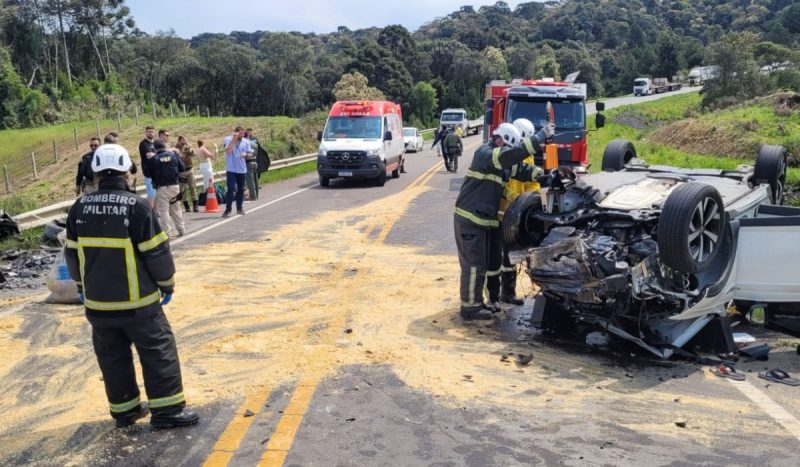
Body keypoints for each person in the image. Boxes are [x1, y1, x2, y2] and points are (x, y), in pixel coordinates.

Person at [64, 143, 199, 429]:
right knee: (157, 351)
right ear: (128, 172)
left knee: (113, 358)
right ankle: (168, 412)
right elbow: (157, 253)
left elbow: (72, 255)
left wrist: (81, 287)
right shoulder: (136, 207)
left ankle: (125, 412)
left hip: (98, 306)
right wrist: (167, 285)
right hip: (138, 304)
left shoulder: (78, 209)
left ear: (96, 174)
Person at [453, 121, 553, 320]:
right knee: (474, 265)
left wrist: (544, 175)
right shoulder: (485, 154)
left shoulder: (501, 164)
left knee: (484, 263)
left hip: (483, 221)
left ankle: (480, 302)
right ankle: (470, 307)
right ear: (499, 139)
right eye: (506, 146)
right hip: (470, 220)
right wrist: (538, 138)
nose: (507, 150)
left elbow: (522, 169)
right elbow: (509, 156)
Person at [493, 118, 541, 306]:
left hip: (515, 215)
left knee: (511, 257)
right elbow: (501, 184)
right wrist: (515, 198)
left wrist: (533, 201)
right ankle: (494, 295)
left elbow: (531, 183)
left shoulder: (527, 157)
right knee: (496, 257)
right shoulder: (504, 156)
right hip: (500, 212)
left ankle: (508, 292)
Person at [144, 139, 186, 237]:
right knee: (176, 208)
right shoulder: (173, 155)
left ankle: (167, 232)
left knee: (164, 210)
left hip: (162, 187)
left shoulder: (154, 158)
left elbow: (147, 173)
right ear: (164, 146)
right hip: (174, 186)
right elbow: (182, 168)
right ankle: (181, 229)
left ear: (155, 148)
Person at [223, 126, 250, 217]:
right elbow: (228, 151)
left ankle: (239, 208)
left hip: (242, 169)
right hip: (231, 169)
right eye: (240, 134)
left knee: (241, 190)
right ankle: (228, 209)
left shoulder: (246, 141)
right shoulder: (227, 139)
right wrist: (234, 140)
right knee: (230, 189)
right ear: (236, 133)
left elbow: (250, 153)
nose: (242, 135)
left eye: (243, 133)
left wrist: (245, 154)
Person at [139, 127, 158, 208]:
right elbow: (149, 155)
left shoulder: (156, 143)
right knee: (151, 192)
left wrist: (156, 154)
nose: (150, 133)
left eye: (152, 132)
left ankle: (155, 211)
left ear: (154, 133)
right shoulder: (144, 143)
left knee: (156, 192)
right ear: (145, 133)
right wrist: (159, 154)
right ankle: (150, 211)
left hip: (156, 170)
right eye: (148, 132)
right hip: (148, 171)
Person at [178, 142, 198, 213]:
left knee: (192, 187)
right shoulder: (177, 151)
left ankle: (195, 205)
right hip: (181, 172)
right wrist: (181, 153)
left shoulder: (188, 150)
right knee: (183, 190)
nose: (184, 148)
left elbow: (195, 154)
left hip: (190, 170)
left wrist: (190, 149)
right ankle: (187, 206)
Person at [243, 128, 259, 200]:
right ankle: (256, 195)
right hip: (255, 161)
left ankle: (253, 196)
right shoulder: (254, 143)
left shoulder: (245, 143)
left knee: (250, 180)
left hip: (248, 163)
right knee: (255, 180)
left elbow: (245, 154)